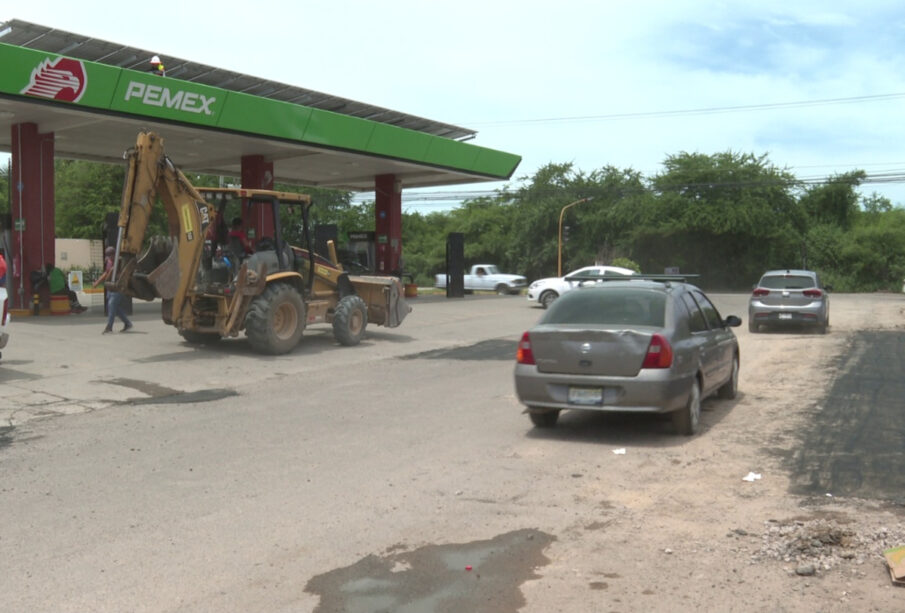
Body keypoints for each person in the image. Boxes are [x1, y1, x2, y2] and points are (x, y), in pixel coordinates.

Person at [93, 247, 132, 333]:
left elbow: (124, 273)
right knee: (115, 308)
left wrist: (113, 272)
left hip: (118, 286)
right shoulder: (109, 262)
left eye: (111, 256)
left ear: (115, 254)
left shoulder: (121, 261)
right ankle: (127, 323)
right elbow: (106, 273)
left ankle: (109, 327)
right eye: (109, 256)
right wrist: (97, 282)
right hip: (111, 286)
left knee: (111, 305)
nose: (110, 258)